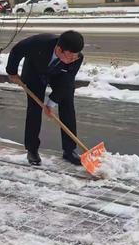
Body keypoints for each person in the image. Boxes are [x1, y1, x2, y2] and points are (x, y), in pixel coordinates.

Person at [6, 30, 84, 167]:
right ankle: (32, 150)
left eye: (75, 57)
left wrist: (52, 102)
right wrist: (12, 72)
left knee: (67, 104)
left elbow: (67, 81)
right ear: (59, 50)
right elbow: (17, 50)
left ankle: (69, 150)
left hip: (59, 75)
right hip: (35, 72)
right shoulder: (38, 43)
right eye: (70, 56)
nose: (73, 59)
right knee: (34, 109)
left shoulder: (76, 58)